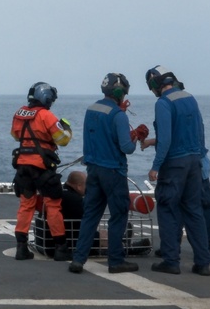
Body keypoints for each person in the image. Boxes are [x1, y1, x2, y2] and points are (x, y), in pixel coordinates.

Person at [68, 73, 143, 275]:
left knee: (90, 215)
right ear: (119, 92)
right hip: (113, 172)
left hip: (93, 170)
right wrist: (135, 137)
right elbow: (127, 148)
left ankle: (78, 260)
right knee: (118, 215)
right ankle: (116, 261)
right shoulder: (119, 116)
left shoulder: (91, 109)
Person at [143, 65, 210, 276]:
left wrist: (156, 166)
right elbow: (200, 130)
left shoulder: (163, 104)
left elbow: (165, 139)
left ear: (155, 84)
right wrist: (199, 158)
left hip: (174, 164)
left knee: (167, 209)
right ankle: (203, 263)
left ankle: (171, 261)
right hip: (194, 161)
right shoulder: (189, 98)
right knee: (194, 211)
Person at [11, 81, 73, 261]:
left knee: (26, 204)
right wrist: (66, 127)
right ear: (46, 98)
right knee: (53, 205)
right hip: (42, 167)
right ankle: (61, 247)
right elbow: (62, 140)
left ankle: (21, 248)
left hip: (23, 166)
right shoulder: (47, 115)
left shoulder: (19, 114)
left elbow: (15, 135)